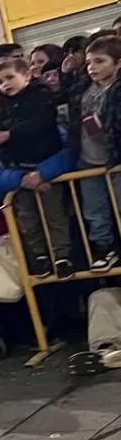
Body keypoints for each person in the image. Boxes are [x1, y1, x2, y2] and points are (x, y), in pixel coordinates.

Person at [0, 57, 75, 277]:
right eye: (1, 82)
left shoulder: (41, 97)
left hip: (47, 165)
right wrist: (17, 172)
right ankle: (40, 255)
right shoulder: (2, 108)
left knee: (54, 214)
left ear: (27, 75)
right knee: (27, 217)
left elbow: (41, 124)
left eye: (10, 78)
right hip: (20, 170)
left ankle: (62, 256)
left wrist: (10, 135)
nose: (5, 85)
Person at [74, 36, 121, 269]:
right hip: (88, 159)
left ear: (118, 63)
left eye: (100, 61)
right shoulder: (82, 90)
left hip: (115, 157)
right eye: (89, 62)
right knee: (94, 211)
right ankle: (104, 249)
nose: (92, 67)